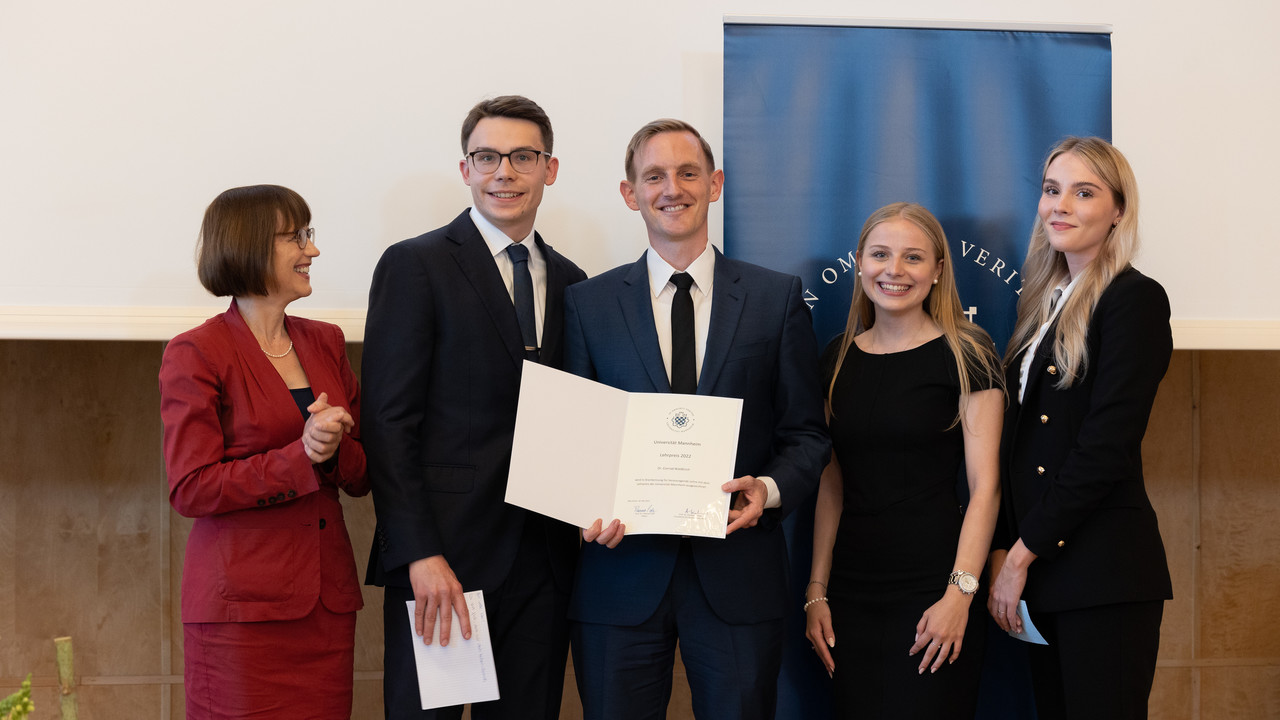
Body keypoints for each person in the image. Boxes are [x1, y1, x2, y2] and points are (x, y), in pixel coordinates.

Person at [564, 119, 830, 720]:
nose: (671, 188)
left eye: (688, 173)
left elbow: (807, 435)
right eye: (653, 175)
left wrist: (767, 488)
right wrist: (585, 506)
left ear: (715, 184)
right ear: (630, 193)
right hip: (619, 575)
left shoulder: (776, 298)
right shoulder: (587, 304)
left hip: (739, 573)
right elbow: (576, 438)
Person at [362, 95, 586, 719]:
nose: (503, 172)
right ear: (465, 169)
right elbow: (387, 422)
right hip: (446, 564)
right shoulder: (417, 264)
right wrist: (418, 554)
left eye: (522, 157)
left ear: (550, 168)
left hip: (543, 563)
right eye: (487, 157)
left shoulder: (574, 283)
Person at [159, 185, 368, 719]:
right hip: (239, 616)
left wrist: (335, 445)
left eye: (309, 234)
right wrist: (301, 454)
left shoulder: (325, 341)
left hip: (325, 607)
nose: (311, 251)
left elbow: (364, 471)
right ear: (250, 246)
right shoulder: (198, 352)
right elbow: (192, 487)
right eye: (295, 238)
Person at [987, 136, 1173, 720]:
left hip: (1103, 575)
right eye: (1051, 190)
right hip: (1046, 572)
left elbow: (1105, 447)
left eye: (1083, 192)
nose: (1059, 205)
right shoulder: (1044, 304)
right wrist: (1006, 550)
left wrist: (1018, 556)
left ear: (1118, 210)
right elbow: (1019, 451)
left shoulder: (1134, 300)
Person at [802, 202, 1004, 718]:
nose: (894, 270)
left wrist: (960, 595)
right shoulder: (836, 357)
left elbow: (986, 488)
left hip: (935, 589)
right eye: (880, 255)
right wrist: (816, 591)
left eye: (913, 257)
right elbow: (831, 485)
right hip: (850, 593)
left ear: (938, 271)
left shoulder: (969, 354)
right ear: (860, 262)